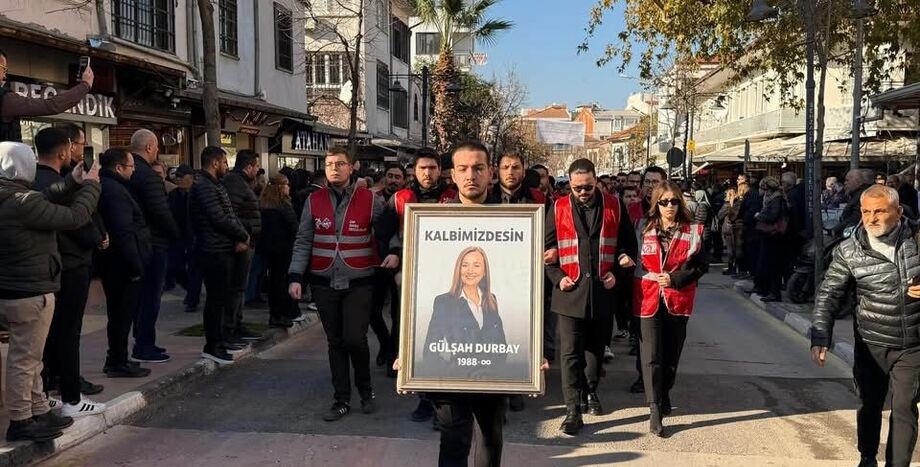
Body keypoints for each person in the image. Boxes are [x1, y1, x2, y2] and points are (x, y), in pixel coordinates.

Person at [395, 141, 546, 467]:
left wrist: (533, 355)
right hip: (449, 372)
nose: (471, 175)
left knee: (490, 441)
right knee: (453, 440)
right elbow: (416, 299)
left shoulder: (516, 223)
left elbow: (527, 295)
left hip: (492, 373)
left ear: (491, 172)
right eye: (462, 168)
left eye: (478, 168)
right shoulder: (433, 221)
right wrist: (407, 356)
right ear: (451, 174)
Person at [288, 147, 400, 422]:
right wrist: (295, 276)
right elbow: (303, 240)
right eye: (329, 164)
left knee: (355, 339)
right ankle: (341, 399)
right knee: (335, 342)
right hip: (323, 281)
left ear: (353, 167)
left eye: (340, 164)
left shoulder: (370, 200)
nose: (334, 168)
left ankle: (366, 391)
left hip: (360, 281)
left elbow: (388, 232)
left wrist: (394, 252)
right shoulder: (313, 200)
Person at [811, 185, 920, 467]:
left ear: (897, 212)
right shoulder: (850, 251)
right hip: (871, 343)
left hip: (912, 346)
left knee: (904, 408)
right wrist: (821, 334)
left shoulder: (917, 240)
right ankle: (867, 456)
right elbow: (829, 293)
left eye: (879, 211)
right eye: (866, 211)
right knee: (870, 404)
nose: (871, 218)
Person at [0, 141, 100, 441]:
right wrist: (91, 187)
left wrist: (72, 181)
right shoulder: (22, 202)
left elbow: (42, 200)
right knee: (25, 359)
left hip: (13, 289)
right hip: (30, 290)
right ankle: (21, 418)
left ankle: (39, 409)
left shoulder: (11, 198)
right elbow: (73, 218)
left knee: (31, 357)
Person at [544, 158, 638, 435]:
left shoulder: (615, 205)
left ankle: (591, 390)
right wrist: (558, 278)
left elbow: (628, 247)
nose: (583, 192)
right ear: (569, 186)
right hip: (569, 293)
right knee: (570, 354)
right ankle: (572, 410)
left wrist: (619, 272)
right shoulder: (558, 206)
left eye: (587, 187)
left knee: (595, 352)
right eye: (577, 188)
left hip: (603, 292)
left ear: (596, 181)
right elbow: (547, 251)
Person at [30, 127, 107, 417]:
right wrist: (90, 186)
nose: (77, 151)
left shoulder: (33, 184)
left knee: (48, 334)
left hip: (47, 267)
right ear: (64, 151)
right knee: (67, 331)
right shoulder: (50, 184)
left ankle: (48, 391)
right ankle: (72, 397)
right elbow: (76, 218)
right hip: (68, 264)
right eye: (75, 145)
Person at [634, 181, 708, 436]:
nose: (669, 207)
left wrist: (676, 279)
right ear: (656, 204)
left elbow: (700, 266)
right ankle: (654, 408)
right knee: (651, 354)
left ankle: (665, 392)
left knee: (671, 354)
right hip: (648, 298)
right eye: (663, 202)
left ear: (680, 203)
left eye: (673, 201)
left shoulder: (694, 231)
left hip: (678, 299)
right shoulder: (643, 227)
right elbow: (635, 260)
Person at [390, 148, 458, 425]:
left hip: (449, 279)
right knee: (418, 338)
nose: (427, 173)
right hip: (413, 280)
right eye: (422, 169)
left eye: (432, 168)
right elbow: (388, 233)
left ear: (439, 169)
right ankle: (424, 398)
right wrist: (394, 253)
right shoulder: (401, 199)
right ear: (414, 171)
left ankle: (448, 400)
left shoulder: (454, 197)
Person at [189, 146, 250, 365]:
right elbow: (219, 218)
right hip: (213, 250)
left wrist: (240, 235)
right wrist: (242, 234)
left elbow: (229, 213)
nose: (227, 166)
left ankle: (219, 342)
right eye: (224, 162)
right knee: (216, 300)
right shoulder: (204, 186)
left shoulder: (214, 185)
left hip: (222, 248)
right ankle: (213, 345)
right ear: (215, 163)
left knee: (222, 298)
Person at [96, 148, 153, 379]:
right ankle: (117, 360)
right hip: (121, 265)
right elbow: (124, 231)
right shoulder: (115, 191)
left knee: (120, 314)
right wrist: (136, 265)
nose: (134, 169)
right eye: (131, 166)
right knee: (121, 314)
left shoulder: (111, 186)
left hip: (116, 262)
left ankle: (118, 358)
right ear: (119, 168)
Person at [420, 246, 519, 379]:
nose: (470, 271)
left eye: (476, 265)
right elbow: (429, 354)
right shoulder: (444, 302)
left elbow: (501, 348)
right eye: (465, 265)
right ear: (458, 269)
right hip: (460, 381)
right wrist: (453, 375)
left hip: (491, 381)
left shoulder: (491, 300)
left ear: (485, 271)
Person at [129, 129, 180, 363]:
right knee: (150, 296)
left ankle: (142, 341)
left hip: (133, 243)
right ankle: (144, 344)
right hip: (153, 244)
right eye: (157, 146)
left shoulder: (127, 173)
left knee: (138, 297)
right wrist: (176, 235)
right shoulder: (148, 176)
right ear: (149, 147)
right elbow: (161, 212)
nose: (158, 151)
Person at [0, 50, 94, 142]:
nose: (5, 76)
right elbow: (52, 105)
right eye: (4, 69)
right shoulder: (5, 99)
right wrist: (85, 85)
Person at [222, 149, 263, 343]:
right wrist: (241, 237)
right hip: (240, 243)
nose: (257, 170)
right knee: (234, 288)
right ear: (248, 167)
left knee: (239, 287)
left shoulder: (243, 183)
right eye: (256, 166)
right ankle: (230, 328)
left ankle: (236, 324)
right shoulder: (234, 183)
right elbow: (232, 214)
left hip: (247, 242)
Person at [369, 164, 405, 374]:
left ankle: (393, 354)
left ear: (403, 180)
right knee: (373, 310)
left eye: (397, 177)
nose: (393, 180)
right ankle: (385, 343)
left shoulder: (405, 199)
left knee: (397, 313)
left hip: (399, 263)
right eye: (390, 176)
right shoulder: (373, 198)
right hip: (376, 263)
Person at [258, 174, 300, 328]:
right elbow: (294, 228)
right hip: (284, 250)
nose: (289, 187)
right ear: (281, 187)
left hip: (269, 250)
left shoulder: (264, 205)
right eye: (287, 184)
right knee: (282, 283)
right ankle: (283, 313)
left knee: (274, 282)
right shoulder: (284, 206)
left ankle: (275, 314)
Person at [167, 164, 201, 313]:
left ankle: (193, 298)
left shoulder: (198, 193)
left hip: (196, 236)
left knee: (195, 269)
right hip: (178, 237)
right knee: (175, 267)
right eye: (178, 177)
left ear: (191, 178)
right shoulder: (174, 195)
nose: (179, 179)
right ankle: (191, 290)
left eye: (182, 176)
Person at [753, 177, 788, 302]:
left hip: (774, 236)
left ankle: (774, 292)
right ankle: (768, 289)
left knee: (773, 264)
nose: (763, 192)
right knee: (768, 263)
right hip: (770, 236)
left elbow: (773, 216)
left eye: (764, 189)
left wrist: (759, 216)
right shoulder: (775, 199)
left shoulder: (776, 199)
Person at [718, 187, 744, 275]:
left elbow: (720, 215)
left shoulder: (727, 205)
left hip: (729, 229)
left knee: (731, 250)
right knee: (737, 249)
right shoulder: (740, 203)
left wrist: (728, 208)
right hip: (738, 229)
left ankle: (731, 268)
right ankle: (738, 268)